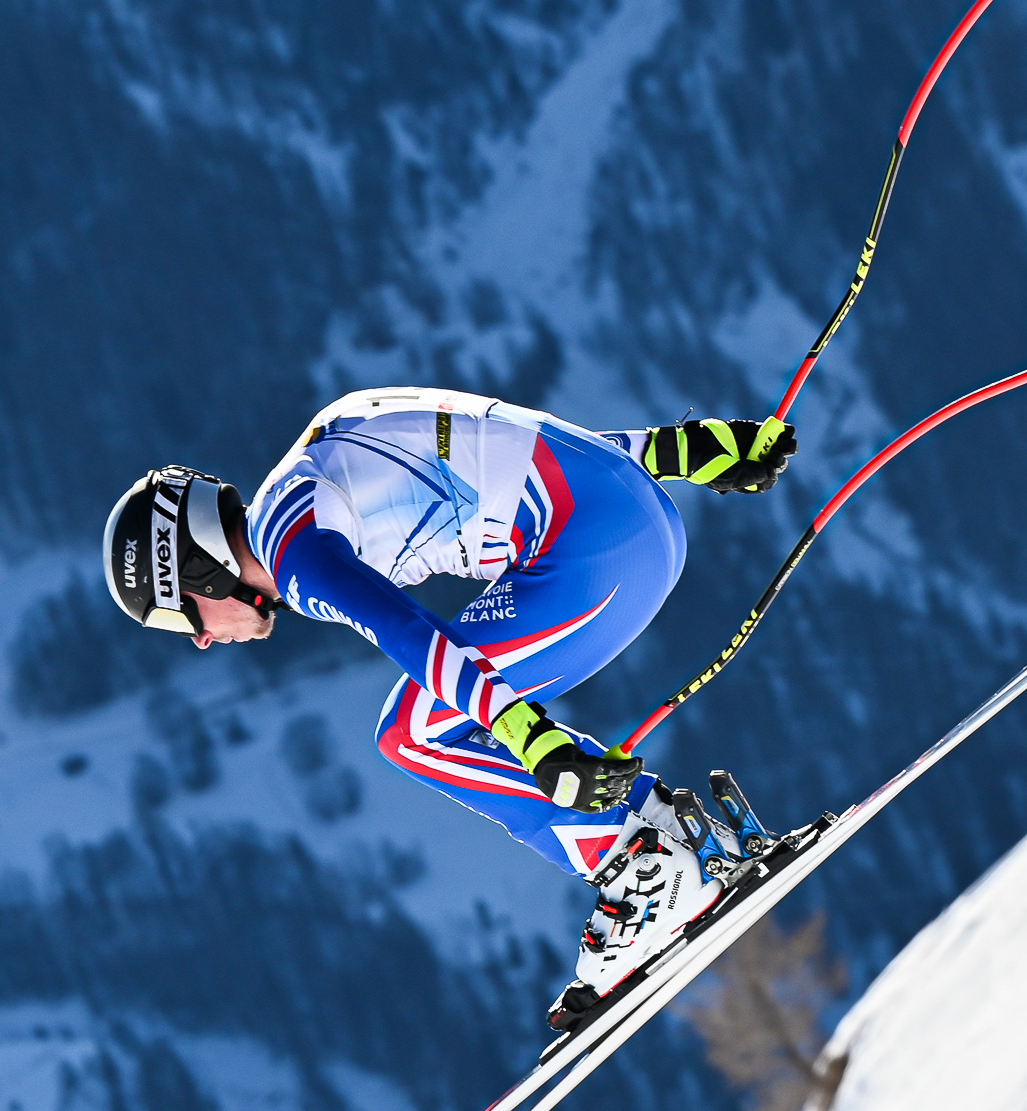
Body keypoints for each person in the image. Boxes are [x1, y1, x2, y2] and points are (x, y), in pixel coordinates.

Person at [103, 389, 796, 1027]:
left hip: (593, 558)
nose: (198, 640)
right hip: (629, 521)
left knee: (411, 733)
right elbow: (516, 448)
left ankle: (646, 869)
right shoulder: (308, 471)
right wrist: (679, 451)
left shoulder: (294, 551)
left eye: (177, 617)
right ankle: (675, 838)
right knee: (425, 720)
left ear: (198, 570)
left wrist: (529, 736)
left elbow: (406, 631)